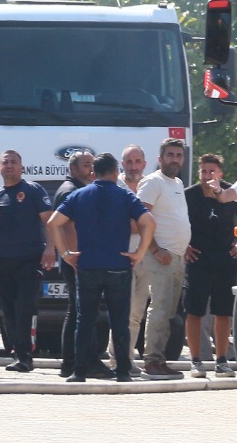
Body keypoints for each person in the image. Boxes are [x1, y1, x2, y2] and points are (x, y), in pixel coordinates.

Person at [46, 152, 155, 383]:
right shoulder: (125, 196)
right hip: (118, 265)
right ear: (116, 172)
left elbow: (53, 223)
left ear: (93, 173)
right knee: (120, 320)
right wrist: (139, 253)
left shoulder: (79, 195)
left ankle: (79, 371)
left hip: (87, 265)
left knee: (84, 320)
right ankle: (123, 371)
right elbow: (149, 222)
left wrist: (65, 254)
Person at [0, 149, 56, 372]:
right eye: (5, 162)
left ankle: (25, 356)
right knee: (8, 308)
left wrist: (50, 247)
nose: (9, 166)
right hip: (1, 258)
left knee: (24, 307)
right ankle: (15, 352)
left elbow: (49, 220)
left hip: (29, 258)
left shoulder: (33, 190)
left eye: (14, 162)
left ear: (22, 167)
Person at [135, 138, 190, 379]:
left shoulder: (177, 182)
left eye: (179, 155)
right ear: (160, 159)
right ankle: (152, 361)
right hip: (159, 257)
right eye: (170, 155)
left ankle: (160, 359)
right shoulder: (153, 181)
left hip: (176, 258)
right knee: (158, 310)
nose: (175, 159)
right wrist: (156, 249)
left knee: (168, 312)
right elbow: (139, 217)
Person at [53, 150, 110, 379]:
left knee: (78, 310)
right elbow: (68, 227)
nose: (91, 170)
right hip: (78, 260)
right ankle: (86, 362)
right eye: (87, 165)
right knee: (84, 312)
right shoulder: (71, 191)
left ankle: (71, 362)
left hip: (76, 258)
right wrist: (75, 257)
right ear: (73, 169)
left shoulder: (77, 189)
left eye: (93, 165)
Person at [184, 153, 237, 377]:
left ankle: (222, 360)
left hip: (224, 258)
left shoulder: (230, 193)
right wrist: (184, 245)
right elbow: (178, 221)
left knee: (223, 311)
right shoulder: (189, 195)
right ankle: (196, 360)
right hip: (197, 258)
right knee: (194, 310)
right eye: (203, 171)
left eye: (212, 172)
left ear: (220, 174)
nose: (207, 176)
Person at [119, 144, 150, 378]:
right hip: (121, 256)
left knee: (137, 312)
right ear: (122, 164)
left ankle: (128, 358)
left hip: (145, 256)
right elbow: (123, 224)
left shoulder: (151, 186)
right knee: (122, 311)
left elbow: (153, 222)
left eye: (137, 162)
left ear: (144, 164)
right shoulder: (116, 187)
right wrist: (145, 224)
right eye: (129, 162)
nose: (133, 166)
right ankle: (118, 358)